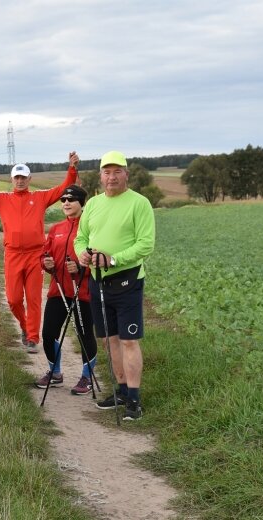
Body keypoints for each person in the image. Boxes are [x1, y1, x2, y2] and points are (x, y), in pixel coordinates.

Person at [0, 152, 79, 354]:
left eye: (23, 177)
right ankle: (25, 326)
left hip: (36, 254)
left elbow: (63, 189)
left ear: (29, 179)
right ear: (12, 179)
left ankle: (33, 338)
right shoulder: (2, 199)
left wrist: (71, 168)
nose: (20, 181)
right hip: (13, 254)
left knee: (34, 298)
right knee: (13, 299)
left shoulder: (40, 197)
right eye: (16, 178)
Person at [74, 151, 155, 420]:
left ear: (126, 174)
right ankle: (120, 391)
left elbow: (146, 244)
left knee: (129, 340)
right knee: (111, 340)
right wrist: (82, 254)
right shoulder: (94, 204)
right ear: (100, 176)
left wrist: (114, 258)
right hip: (98, 281)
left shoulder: (139, 203)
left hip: (128, 280)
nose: (112, 177)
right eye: (106, 172)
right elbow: (80, 237)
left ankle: (135, 399)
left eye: (117, 171)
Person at [34, 184, 99, 395]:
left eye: (71, 199)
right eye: (63, 200)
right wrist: (47, 263)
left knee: (84, 334)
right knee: (48, 332)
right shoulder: (56, 229)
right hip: (58, 289)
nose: (66, 203)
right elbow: (44, 255)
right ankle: (55, 373)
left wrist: (82, 268)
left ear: (82, 203)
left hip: (83, 291)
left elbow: (97, 257)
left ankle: (87, 377)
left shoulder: (91, 228)